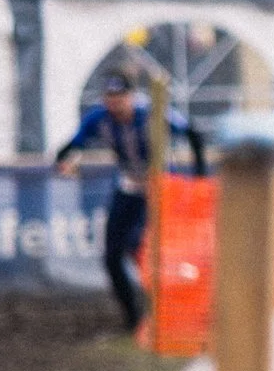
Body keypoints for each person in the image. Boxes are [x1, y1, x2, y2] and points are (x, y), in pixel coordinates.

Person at [55, 72, 206, 332]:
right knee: (112, 254)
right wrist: (65, 162)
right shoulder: (99, 118)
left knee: (147, 248)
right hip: (128, 186)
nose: (115, 104)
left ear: (131, 97)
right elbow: (70, 147)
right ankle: (133, 318)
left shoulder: (152, 113)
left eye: (120, 97)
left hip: (159, 188)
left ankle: (170, 307)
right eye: (110, 98)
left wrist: (199, 177)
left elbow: (193, 133)